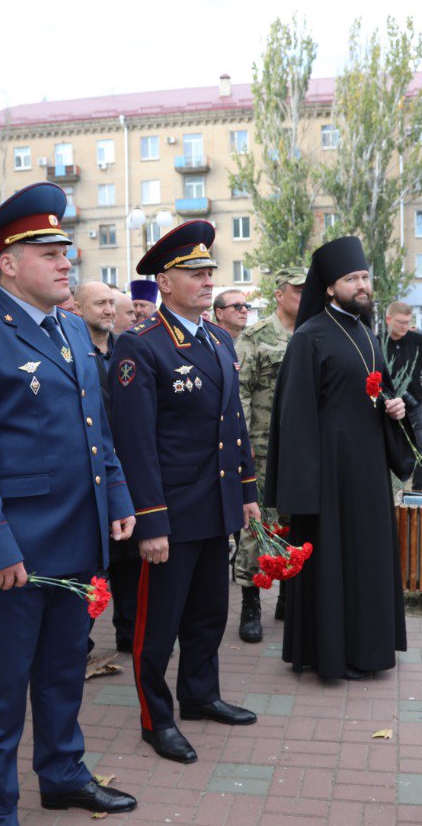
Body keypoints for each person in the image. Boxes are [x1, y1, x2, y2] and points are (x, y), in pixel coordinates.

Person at [0, 182, 138, 822]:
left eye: (65, 250)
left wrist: (119, 498)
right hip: (14, 552)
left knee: (64, 673)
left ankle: (63, 772)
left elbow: (94, 429)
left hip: (78, 538)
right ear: (8, 263)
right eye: (48, 251)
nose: (64, 261)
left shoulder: (74, 329)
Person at [109, 220, 261, 765]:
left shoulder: (219, 339)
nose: (206, 281)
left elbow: (233, 423)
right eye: (194, 273)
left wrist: (245, 490)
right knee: (158, 627)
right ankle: (157, 718)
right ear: (164, 283)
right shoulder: (140, 346)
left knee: (207, 614)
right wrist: (149, 521)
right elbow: (134, 443)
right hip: (169, 513)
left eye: (209, 272)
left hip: (215, 506)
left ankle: (200, 695)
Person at [265, 238, 413, 681]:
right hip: (328, 477)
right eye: (353, 279)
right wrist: (303, 490)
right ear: (330, 288)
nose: (363, 285)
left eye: (365, 277)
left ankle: (369, 648)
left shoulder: (367, 332)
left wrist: (395, 405)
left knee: (367, 558)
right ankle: (332, 653)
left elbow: (375, 389)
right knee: (334, 562)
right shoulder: (309, 338)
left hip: (367, 472)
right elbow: (293, 417)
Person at [233, 266, 305, 642]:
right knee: (256, 526)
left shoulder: (314, 332)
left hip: (303, 450)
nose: (304, 296)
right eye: (297, 290)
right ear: (279, 294)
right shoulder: (256, 336)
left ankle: (289, 598)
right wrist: (242, 447)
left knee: (296, 524)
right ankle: (250, 602)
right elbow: (240, 392)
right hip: (261, 448)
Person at [74, 279, 139, 652]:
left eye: (111, 304)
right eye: (99, 304)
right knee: (92, 565)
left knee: (128, 559)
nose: (109, 311)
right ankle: (78, 640)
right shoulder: (71, 352)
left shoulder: (126, 350)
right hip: (89, 474)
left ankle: (129, 634)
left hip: (124, 469)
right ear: (79, 309)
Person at [382, 301, 422, 493]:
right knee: (386, 453)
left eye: (408, 322)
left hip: (414, 406)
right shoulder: (376, 342)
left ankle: (420, 493)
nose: (405, 327)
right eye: (400, 322)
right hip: (387, 409)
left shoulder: (417, 340)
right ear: (388, 319)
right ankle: (388, 493)